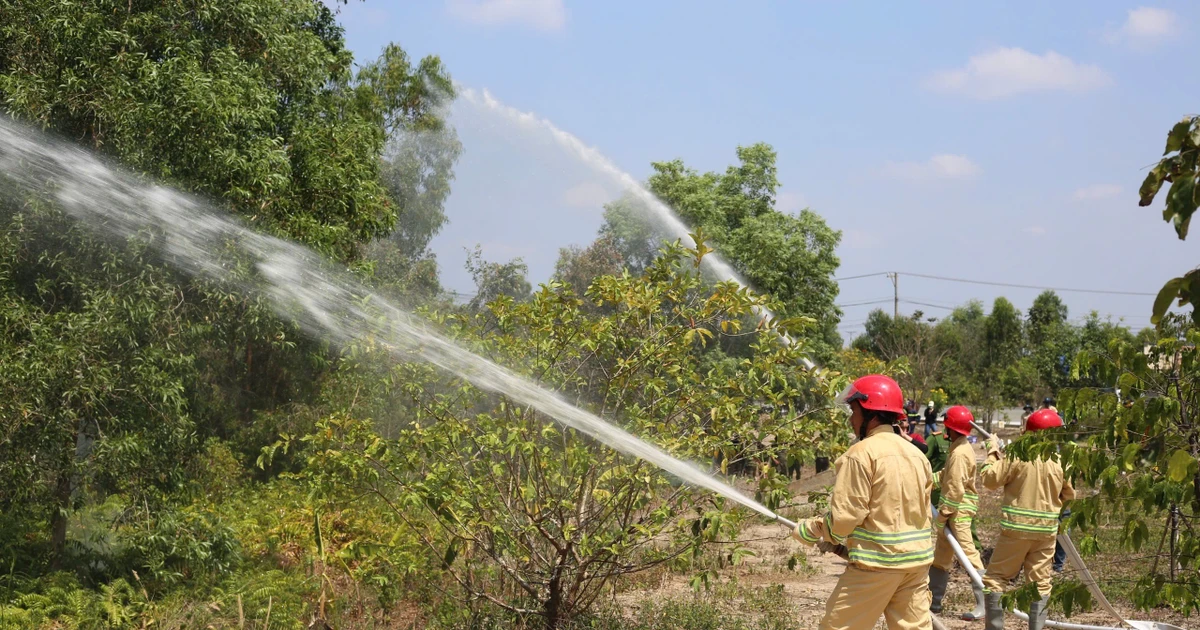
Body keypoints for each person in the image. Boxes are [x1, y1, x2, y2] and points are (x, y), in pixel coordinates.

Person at [791, 375, 934, 630]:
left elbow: (846, 518)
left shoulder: (860, 455)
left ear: (872, 414)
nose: (851, 418)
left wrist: (813, 530)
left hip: (877, 567)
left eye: (854, 410)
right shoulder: (917, 456)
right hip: (917, 565)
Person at [980, 409, 1075, 630]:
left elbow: (989, 479)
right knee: (1040, 584)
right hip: (1046, 532)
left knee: (995, 580)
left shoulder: (1017, 454)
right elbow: (1070, 496)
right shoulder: (1061, 461)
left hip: (1016, 531)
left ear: (1028, 432)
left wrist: (992, 451)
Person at [928, 406, 986, 621]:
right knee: (941, 557)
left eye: (947, 426)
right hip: (952, 511)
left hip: (957, 511)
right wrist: (927, 481)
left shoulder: (960, 453)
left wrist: (943, 515)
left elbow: (954, 488)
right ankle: (933, 602)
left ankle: (985, 604)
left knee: (968, 556)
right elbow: (946, 475)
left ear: (952, 428)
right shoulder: (958, 447)